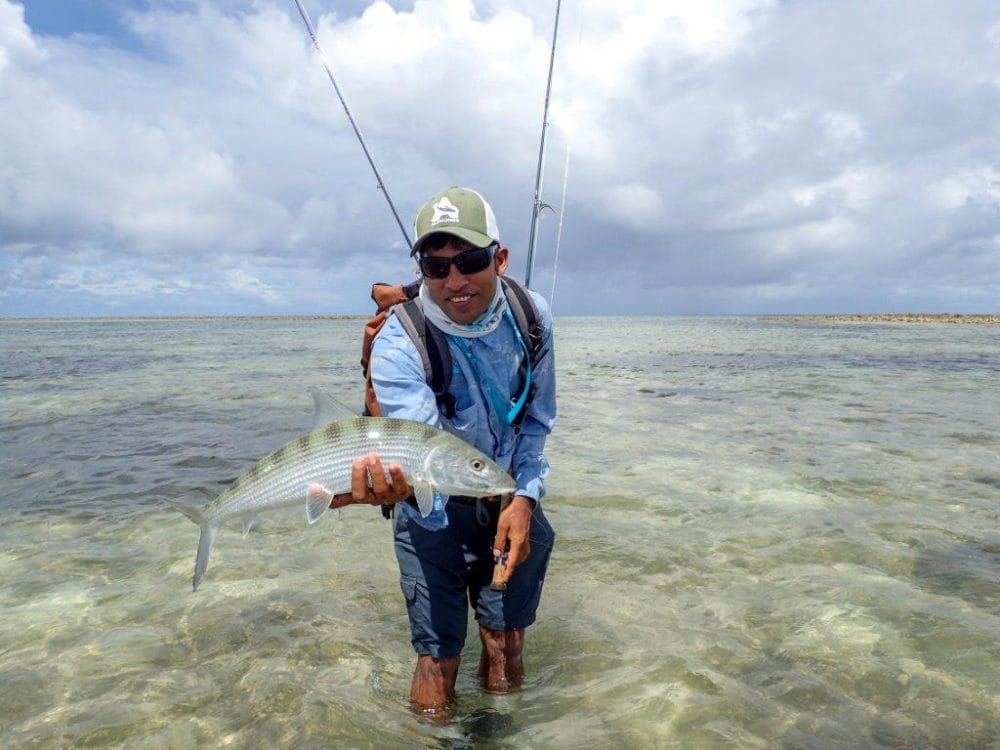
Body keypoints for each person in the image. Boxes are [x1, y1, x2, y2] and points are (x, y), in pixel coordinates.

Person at [328, 186, 557, 716]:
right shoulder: (398, 342)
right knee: (438, 658)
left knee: (506, 646)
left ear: (498, 259)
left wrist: (523, 497)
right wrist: (407, 491)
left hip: (505, 490)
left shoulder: (532, 317)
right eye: (435, 265)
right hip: (432, 508)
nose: (454, 281)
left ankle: (505, 733)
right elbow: (423, 452)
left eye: (469, 261)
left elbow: (537, 422)